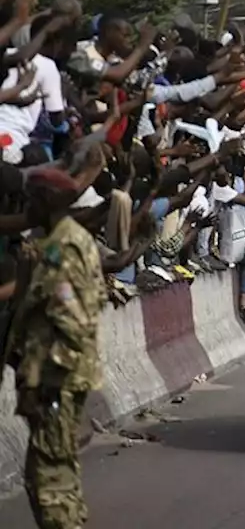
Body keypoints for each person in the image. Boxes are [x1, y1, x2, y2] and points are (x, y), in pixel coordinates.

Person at [3, 167, 105, 529]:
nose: (26, 208)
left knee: (50, 478)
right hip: (55, 377)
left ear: (45, 201)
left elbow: (73, 323)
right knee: (51, 470)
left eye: (31, 200)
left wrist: (48, 384)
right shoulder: (61, 242)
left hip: (56, 380)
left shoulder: (63, 249)